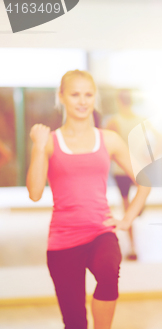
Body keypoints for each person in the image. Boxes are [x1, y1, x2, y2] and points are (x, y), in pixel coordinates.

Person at [26, 70, 151, 329]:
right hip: (62, 242)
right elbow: (35, 193)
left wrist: (127, 219)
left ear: (95, 98)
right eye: (74, 95)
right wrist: (38, 147)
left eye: (88, 95)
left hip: (100, 233)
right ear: (61, 97)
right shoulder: (49, 142)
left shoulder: (109, 139)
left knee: (108, 272)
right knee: (74, 323)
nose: (82, 101)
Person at [105, 89, 145, 261]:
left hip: (121, 169)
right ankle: (140, 207)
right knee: (141, 195)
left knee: (126, 206)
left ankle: (133, 247)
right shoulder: (140, 120)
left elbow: (103, 146)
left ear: (118, 101)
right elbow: (159, 139)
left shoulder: (114, 121)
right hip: (137, 167)